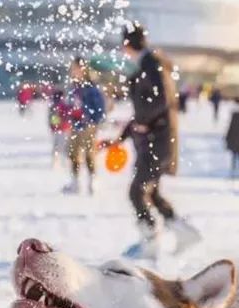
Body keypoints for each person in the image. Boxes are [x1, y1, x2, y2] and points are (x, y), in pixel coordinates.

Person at [118, 23, 200, 259]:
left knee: (136, 192)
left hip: (157, 141)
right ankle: (184, 233)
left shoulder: (151, 63)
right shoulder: (151, 63)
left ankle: (151, 240)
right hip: (157, 139)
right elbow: (149, 105)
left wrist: (143, 122)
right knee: (150, 193)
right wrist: (123, 134)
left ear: (126, 44)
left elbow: (161, 100)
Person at [64, 58, 106, 195]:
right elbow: (68, 105)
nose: (74, 71)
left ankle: (93, 180)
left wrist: (94, 119)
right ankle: (75, 181)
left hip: (89, 124)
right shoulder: (73, 87)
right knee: (73, 153)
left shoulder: (91, 87)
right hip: (75, 124)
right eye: (73, 68)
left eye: (77, 68)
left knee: (89, 152)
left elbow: (99, 106)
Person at [47, 85, 71, 168]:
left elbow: (52, 117)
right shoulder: (63, 104)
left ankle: (57, 161)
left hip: (59, 128)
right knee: (64, 146)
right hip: (64, 128)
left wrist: (54, 126)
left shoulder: (54, 105)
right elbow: (67, 115)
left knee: (57, 145)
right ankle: (64, 161)